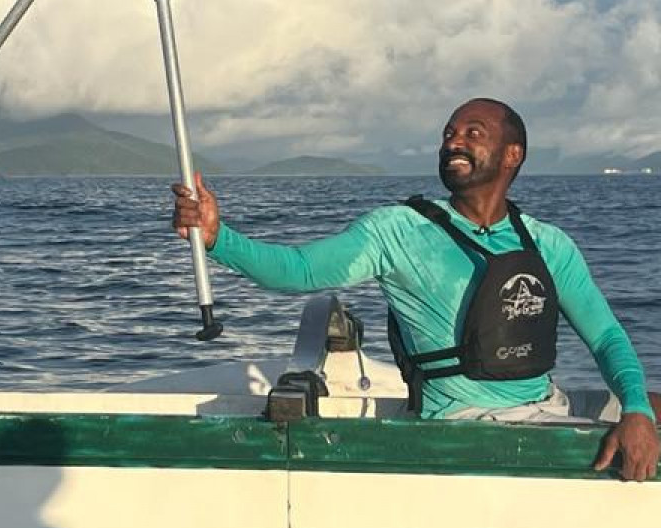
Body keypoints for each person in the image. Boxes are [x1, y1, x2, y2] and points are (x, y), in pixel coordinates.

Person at [172, 97, 659, 482]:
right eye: (448, 134)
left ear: (513, 155)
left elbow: (606, 339)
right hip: (460, 427)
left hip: (545, 411)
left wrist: (635, 410)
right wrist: (219, 238)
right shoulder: (396, 231)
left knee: (653, 403)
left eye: (473, 133)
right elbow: (297, 270)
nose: (454, 143)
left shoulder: (549, 243)